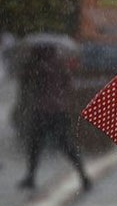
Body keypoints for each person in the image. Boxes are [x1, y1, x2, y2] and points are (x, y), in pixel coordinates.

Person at [17, 45, 91, 191]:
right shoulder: (59, 64)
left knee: (36, 145)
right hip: (59, 110)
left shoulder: (39, 67)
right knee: (66, 145)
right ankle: (83, 176)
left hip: (43, 110)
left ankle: (31, 176)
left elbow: (28, 83)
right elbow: (68, 84)